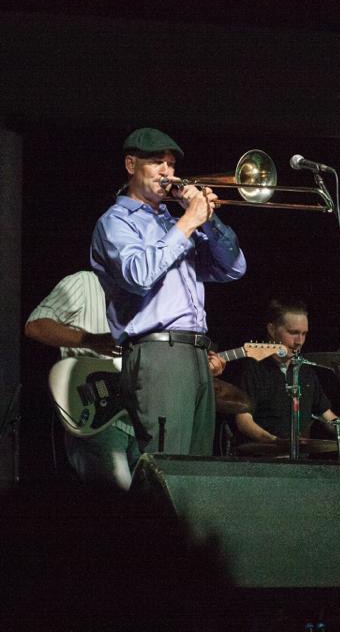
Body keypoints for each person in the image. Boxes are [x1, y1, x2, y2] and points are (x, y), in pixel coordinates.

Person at [90, 127, 245, 457]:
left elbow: (233, 268)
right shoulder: (116, 221)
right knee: (167, 463)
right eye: (156, 162)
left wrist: (209, 221)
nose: (167, 172)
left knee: (197, 467)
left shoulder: (171, 222)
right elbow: (138, 275)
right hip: (158, 353)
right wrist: (188, 220)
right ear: (131, 165)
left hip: (196, 352)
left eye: (171, 164)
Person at [24, 271, 140, 488]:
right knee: (117, 503)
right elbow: (36, 325)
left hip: (139, 421)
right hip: (97, 417)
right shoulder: (84, 282)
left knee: (149, 503)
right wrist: (89, 340)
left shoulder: (146, 296)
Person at [233, 299, 340, 446]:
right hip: (261, 456)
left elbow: (327, 416)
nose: (299, 341)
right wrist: (275, 442)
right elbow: (243, 420)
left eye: (304, 334)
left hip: (299, 458)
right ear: (272, 330)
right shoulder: (253, 369)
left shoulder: (305, 372)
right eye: (293, 332)